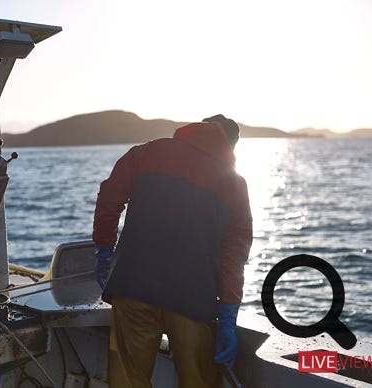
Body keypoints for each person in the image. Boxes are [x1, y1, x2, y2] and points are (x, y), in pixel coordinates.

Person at [92, 114, 253, 387]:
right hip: (193, 300)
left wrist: (105, 249)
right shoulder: (234, 184)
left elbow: (109, 198)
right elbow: (234, 257)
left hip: (132, 286)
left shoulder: (147, 152)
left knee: (127, 382)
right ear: (231, 146)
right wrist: (227, 315)